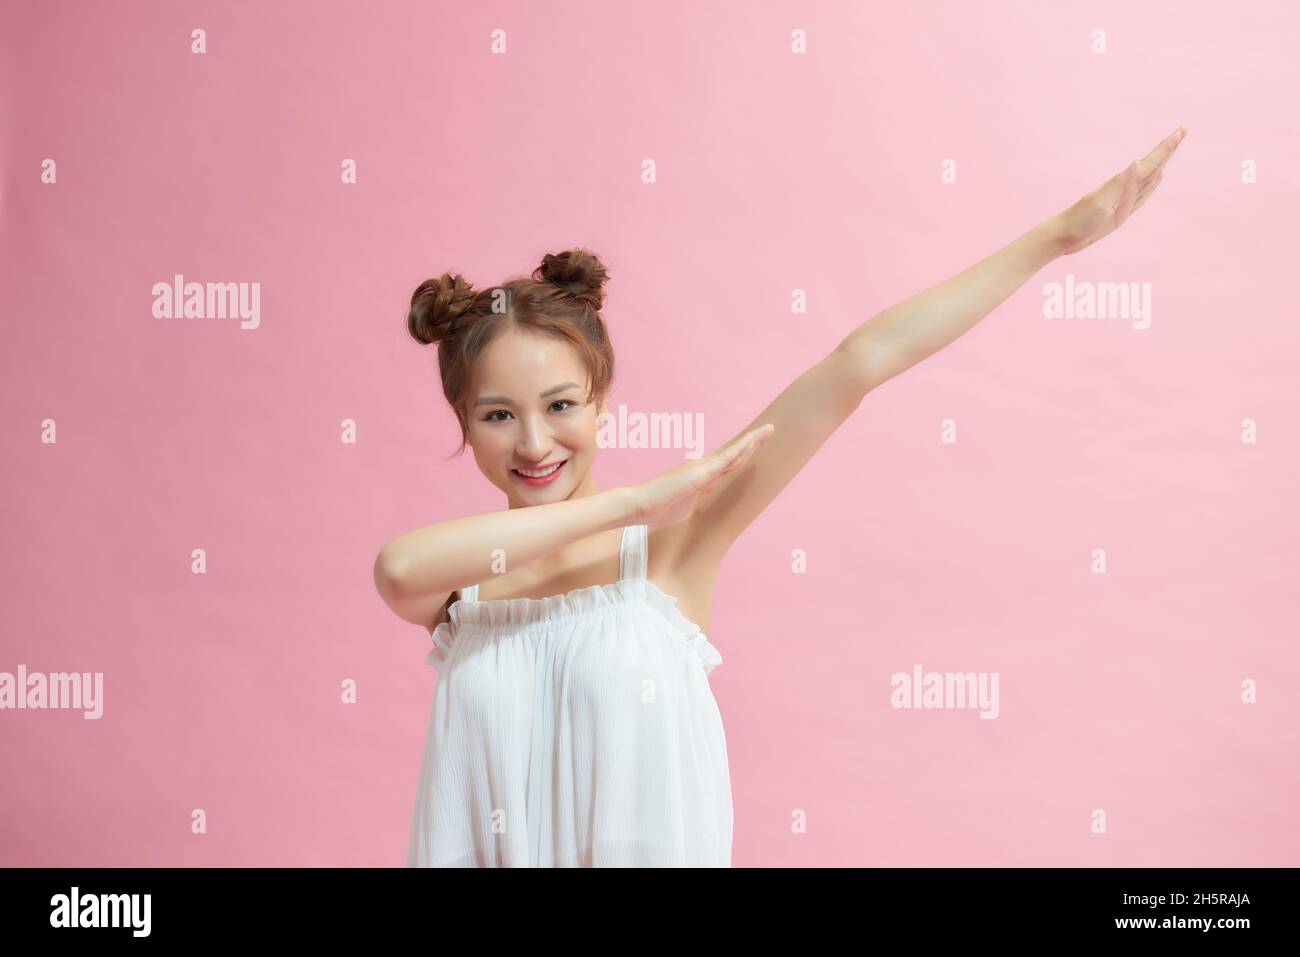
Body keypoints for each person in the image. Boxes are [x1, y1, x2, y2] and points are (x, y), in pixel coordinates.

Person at [377, 126, 1187, 867]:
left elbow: (857, 362)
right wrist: (631, 500)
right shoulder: (461, 587)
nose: (533, 443)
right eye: (497, 416)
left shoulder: (671, 546)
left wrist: (1057, 238)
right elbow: (396, 564)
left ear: (602, 401)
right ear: (465, 421)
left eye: (560, 405)